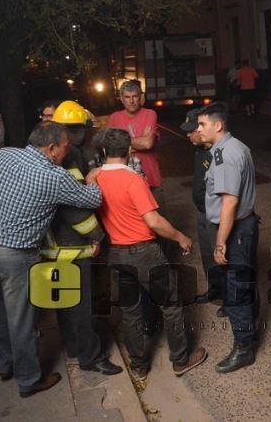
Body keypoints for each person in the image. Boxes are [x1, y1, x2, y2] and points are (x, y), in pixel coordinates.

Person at [0, 121, 102, 398]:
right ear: (52, 147)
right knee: (21, 320)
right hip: (14, 255)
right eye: (65, 148)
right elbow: (90, 200)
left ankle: (6, 366)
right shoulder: (53, 176)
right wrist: (92, 180)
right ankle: (29, 380)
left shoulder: (2, 155)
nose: (66, 153)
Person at [95, 128, 207, 381]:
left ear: (103, 152)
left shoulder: (96, 178)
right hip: (144, 253)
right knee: (170, 304)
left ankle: (138, 366)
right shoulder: (133, 180)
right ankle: (180, 360)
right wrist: (181, 237)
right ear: (130, 151)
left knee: (131, 311)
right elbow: (154, 220)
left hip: (116, 255)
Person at [46, 101, 123, 375]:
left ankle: (74, 347)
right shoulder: (73, 154)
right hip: (75, 242)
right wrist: (97, 236)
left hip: (53, 244)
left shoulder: (47, 153)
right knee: (82, 303)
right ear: (78, 130)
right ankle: (92, 357)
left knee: (64, 301)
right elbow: (75, 205)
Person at [196, 102, 259, 373]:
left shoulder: (225, 155)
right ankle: (250, 329)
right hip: (244, 226)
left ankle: (244, 348)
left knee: (236, 291)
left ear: (217, 125)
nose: (198, 130)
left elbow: (230, 202)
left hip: (236, 231)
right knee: (243, 282)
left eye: (202, 124)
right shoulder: (235, 146)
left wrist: (220, 242)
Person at [179, 109, 223, 315]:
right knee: (207, 255)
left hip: (217, 215)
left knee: (221, 256)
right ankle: (215, 289)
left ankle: (231, 298)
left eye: (191, 131)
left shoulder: (219, 152)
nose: (188, 135)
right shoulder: (200, 150)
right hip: (202, 212)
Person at [108, 80, 163, 206]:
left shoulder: (150, 114)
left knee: (157, 220)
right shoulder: (114, 118)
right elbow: (110, 147)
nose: (131, 101)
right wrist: (140, 139)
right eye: (127, 97)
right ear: (121, 99)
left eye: (135, 96)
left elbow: (147, 144)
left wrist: (120, 142)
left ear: (140, 97)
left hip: (151, 178)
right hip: (125, 179)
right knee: (134, 222)